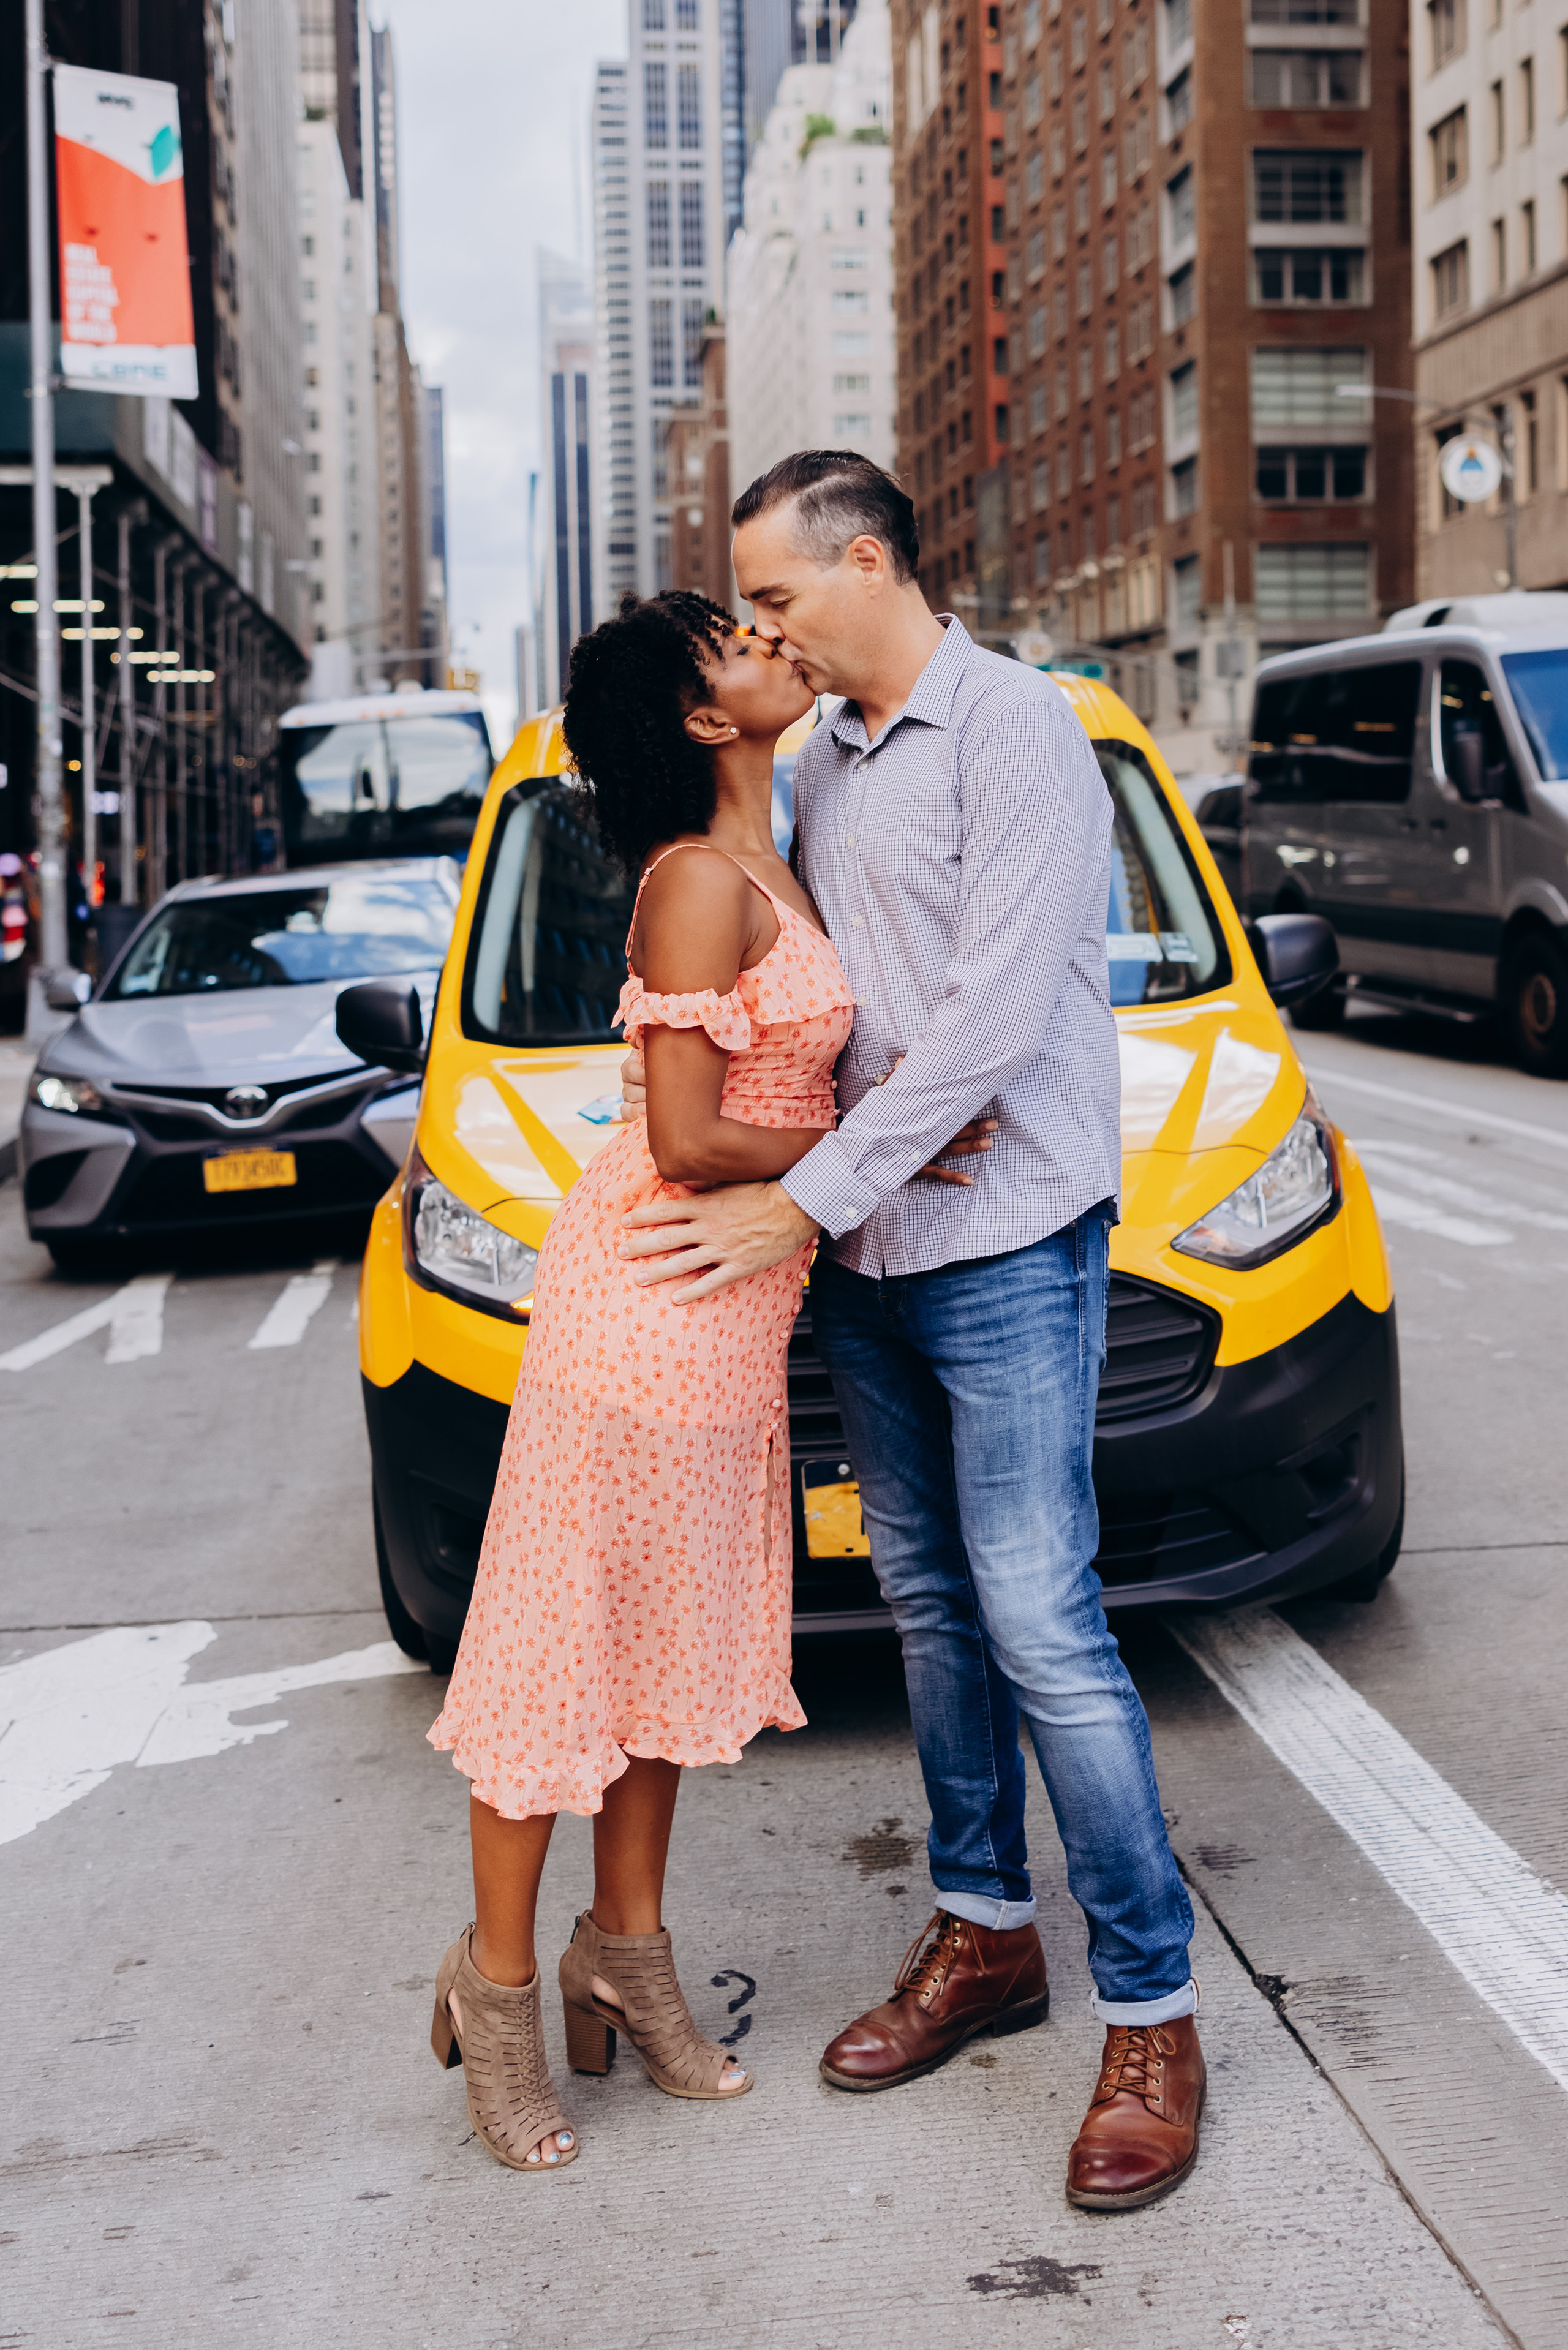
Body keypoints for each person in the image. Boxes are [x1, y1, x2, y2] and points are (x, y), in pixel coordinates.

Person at [617, 453, 1206, 2211]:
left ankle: (1155, 2009)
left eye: (782, 599)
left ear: (868, 560)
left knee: (1040, 1611)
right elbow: (812, 1023)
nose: (768, 632)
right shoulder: (814, 767)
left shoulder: (1020, 727)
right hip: (868, 1251)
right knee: (933, 1608)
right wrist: (798, 1167)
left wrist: (798, 1190)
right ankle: (985, 1935)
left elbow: (988, 1021)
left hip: (1008, 1235)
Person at [424, 589, 991, 2174]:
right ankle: (499, 1994)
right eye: (739, 642)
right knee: (559, 1660)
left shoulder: (780, 851)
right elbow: (682, 1136)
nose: (776, 645)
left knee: (670, 1656)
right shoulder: (691, 882)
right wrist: (889, 1149)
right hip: (651, 1302)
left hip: (736, 1313)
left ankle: (630, 1956)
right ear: (697, 716)